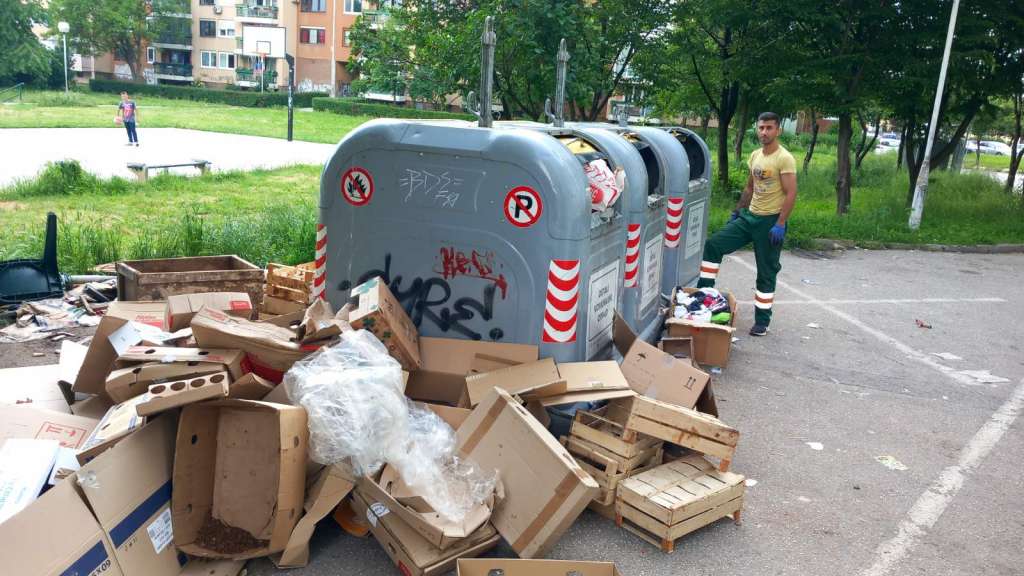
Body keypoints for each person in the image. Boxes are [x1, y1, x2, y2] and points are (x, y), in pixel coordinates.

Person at [697, 111, 797, 336]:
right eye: (761, 127)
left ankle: (762, 321)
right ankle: (704, 296)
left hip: (770, 221)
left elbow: (791, 193)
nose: (764, 132)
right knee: (713, 245)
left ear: (777, 130)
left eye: (769, 128)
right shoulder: (755, 156)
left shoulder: (784, 158)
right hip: (749, 217)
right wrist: (738, 210)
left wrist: (780, 222)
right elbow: (750, 187)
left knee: (766, 271)